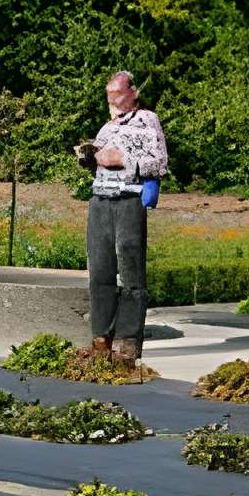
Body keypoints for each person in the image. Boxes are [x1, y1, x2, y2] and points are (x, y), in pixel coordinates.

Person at [75, 71, 169, 358]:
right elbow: (99, 166)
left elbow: (160, 163)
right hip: (100, 200)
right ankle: (101, 336)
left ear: (133, 92)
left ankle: (129, 338)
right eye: (109, 95)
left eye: (117, 93)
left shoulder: (148, 121)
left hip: (129, 200)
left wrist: (123, 159)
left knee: (130, 269)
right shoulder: (106, 128)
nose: (113, 100)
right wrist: (89, 157)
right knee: (100, 271)